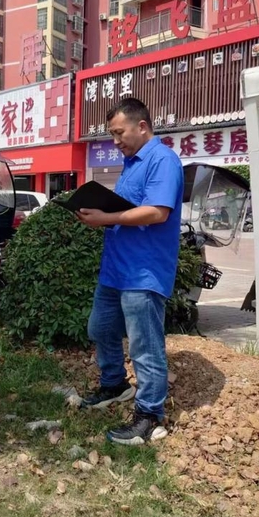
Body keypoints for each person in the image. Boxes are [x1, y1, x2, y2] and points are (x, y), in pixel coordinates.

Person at [76, 98, 183, 446]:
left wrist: (105, 218)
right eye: (112, 134)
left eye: (119, 132)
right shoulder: (131, 163)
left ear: (142, 126)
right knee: (100, 327)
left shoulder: (162, 160)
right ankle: (114, 385)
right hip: (116, 270)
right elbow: (128, 211)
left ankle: (150, 417)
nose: (115, 140)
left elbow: (157, 212)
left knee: (144, 345)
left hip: (144, 272)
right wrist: (98, 214)